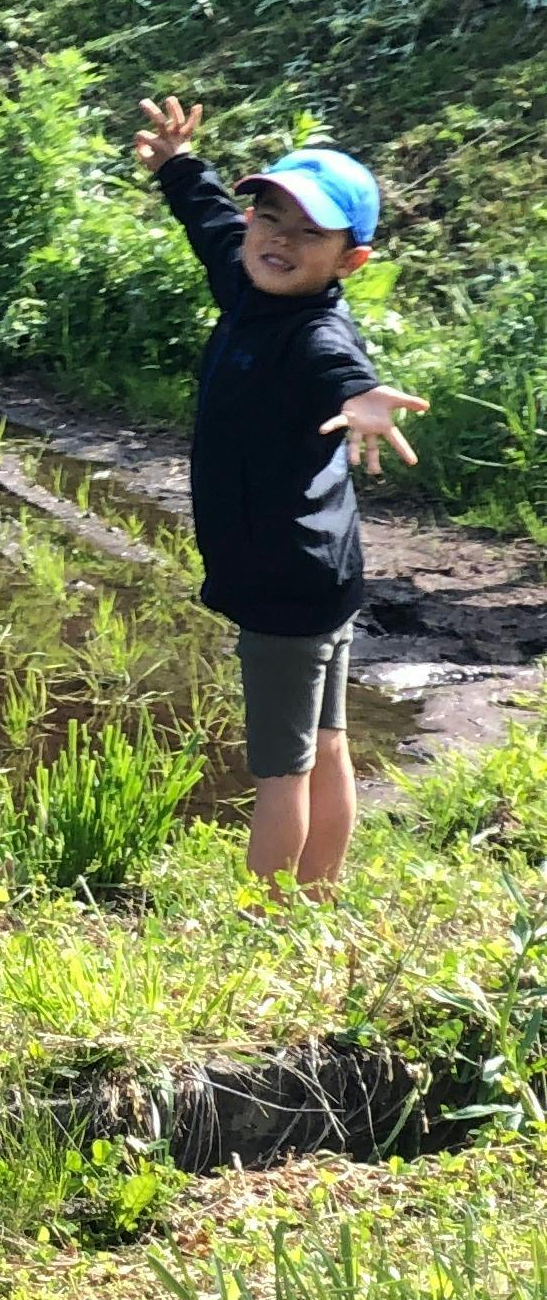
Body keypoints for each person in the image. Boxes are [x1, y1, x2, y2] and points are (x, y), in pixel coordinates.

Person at [131, 97, 425, 889]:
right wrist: (177, 164)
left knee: (280, 770)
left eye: (309, 233)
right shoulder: (248, 280)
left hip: (283, 581)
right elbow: (210, 221)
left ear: (349, 261)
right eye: (271, 218)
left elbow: (343, 372)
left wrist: (364, 398)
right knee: (325, 741)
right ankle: (319, 892)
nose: (279, 240)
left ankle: (266, 923)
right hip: (320, 571)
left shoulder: (314, 334)